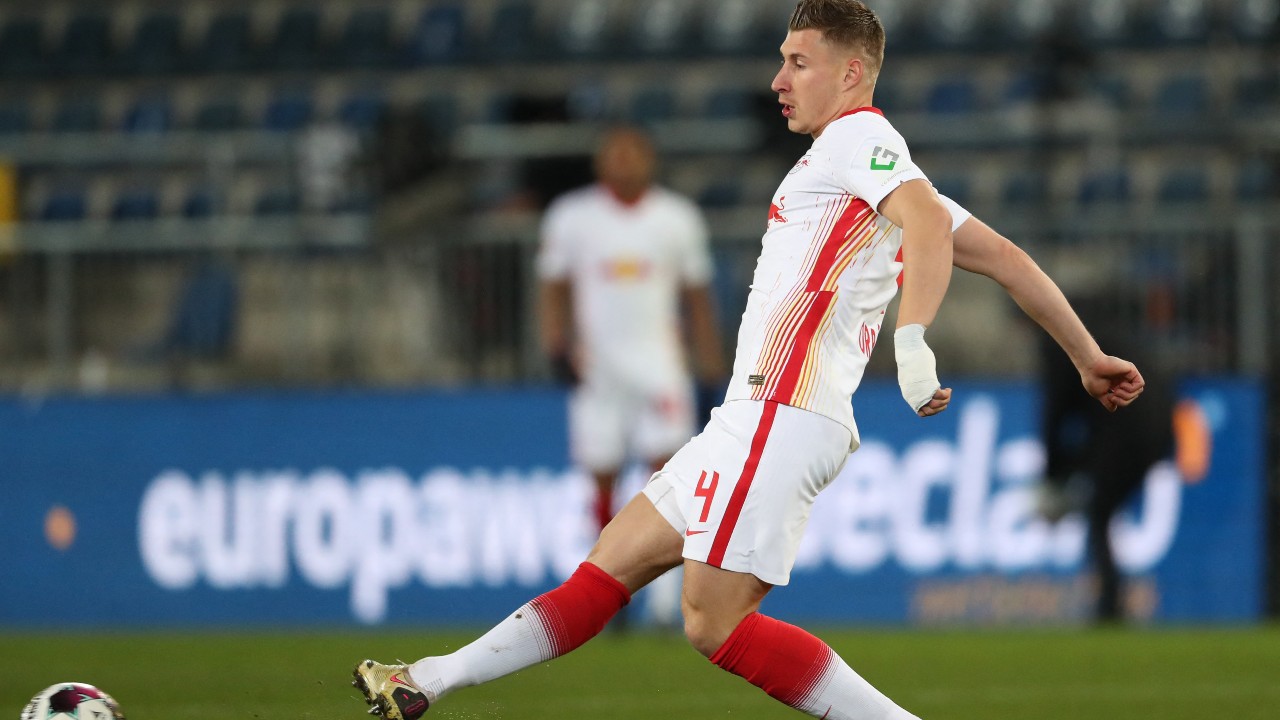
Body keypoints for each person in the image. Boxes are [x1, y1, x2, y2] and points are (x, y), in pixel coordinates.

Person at [353, 3, 1146, 718]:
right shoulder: (864, 168)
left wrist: (912, 341)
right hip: (752, 415)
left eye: (798, 62)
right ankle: (425, 681)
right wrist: (1087, 356)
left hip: (785, 410)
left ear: (851, 72)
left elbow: (928, 226)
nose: (778, 80)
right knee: (605, 571)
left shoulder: (861, 139)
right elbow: (1003, 256)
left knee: (713, 622)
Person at [536, 126, 725, 541]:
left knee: (667, 470)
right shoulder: (572, 217)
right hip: (597, 365)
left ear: (649, 159)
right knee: (600, 468)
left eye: (632, 152)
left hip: (659, 363)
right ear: (599, 161)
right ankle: (606, 560)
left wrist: (710, 364)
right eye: (615, 153)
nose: (624, 162)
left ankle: (661, 569)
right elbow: (553, 287)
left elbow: (697, 297)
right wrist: (555, 345)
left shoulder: (676, 218)